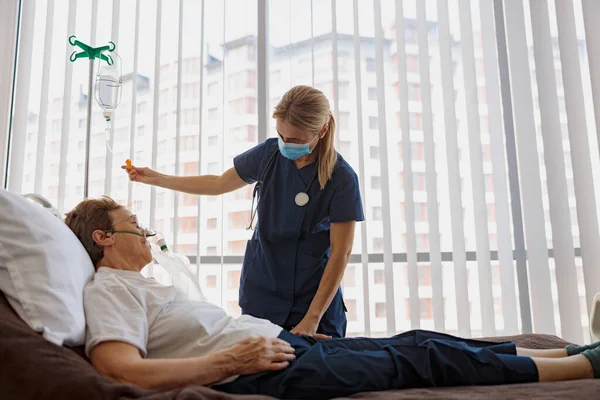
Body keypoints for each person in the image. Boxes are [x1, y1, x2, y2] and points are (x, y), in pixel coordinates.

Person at [65, 197, 600, 399]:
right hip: (259, 372)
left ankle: (565, 355)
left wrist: (276, 335)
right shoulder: (109, 289)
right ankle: (585, 369)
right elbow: (120, 372)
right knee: (414, 359)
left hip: (279, 347)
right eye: (134, 224)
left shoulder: (142, 285)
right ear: (105, 238)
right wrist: (233, 358)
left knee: (414, 341)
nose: (146, 230)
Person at [123, 85, 364, 339]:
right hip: (263, 291)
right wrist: (157, 179)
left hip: (313, 298)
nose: (285, 144)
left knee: (317, 375)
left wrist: (312, 319)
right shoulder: (269, 154)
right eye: (281, 135)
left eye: (294, 140)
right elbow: (218, 184)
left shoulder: (341, 177)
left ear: (322, 131)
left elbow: (341, 252)